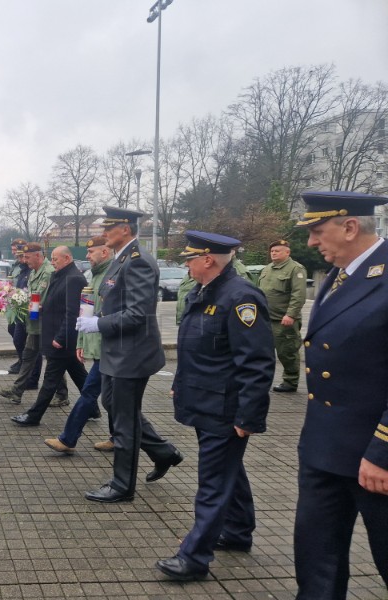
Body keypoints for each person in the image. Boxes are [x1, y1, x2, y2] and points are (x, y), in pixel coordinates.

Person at [155, 231, 274, 582]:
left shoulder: (241, 297)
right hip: (203, 400)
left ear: (208, 260)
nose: (186, 264)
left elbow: (257, 362)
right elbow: (196, 350)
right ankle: (237, 532)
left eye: (190, 258)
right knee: (228, 472)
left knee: (212, 482)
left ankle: (193, 557)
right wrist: (180, 384)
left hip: (225, 408)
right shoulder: (204, 292)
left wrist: (248, 416)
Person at [292, 191, 388, 599]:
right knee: (316, 562)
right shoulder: (339, 275)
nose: (312, 242)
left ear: (350, 227)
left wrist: (383, 452)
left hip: (374, 456)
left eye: (318, 231)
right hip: (323, 448)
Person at [77, 206, 182, 503]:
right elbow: (115, 300)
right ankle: (164, 452)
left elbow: (137, 313)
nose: (104, 232)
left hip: (132, 354)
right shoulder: (121, 259)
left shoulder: (138, 262)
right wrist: (96, 316)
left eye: (109, 227)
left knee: (123, 421)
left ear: (125, 229)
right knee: (111, 403)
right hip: (117, 349)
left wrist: (98, 323)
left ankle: (122, 486)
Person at [44, 236, 112, 453]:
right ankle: (73, 439)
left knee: (106, 398)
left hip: (113, 348)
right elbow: (86, 312)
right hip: (101, 347)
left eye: (92, 253)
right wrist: (81, 341)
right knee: (101, 396)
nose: (88, 256)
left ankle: (160, 449)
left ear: (105, 252)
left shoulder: (113, 275)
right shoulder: (94, 276)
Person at [10, 246, 87, 426]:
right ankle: (93, 408)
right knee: (80, 377)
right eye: (51, 259)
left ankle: (33, 416)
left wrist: (60, 338)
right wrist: (42, 308)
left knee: (50, 380)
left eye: (55, 259)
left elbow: (72, 313)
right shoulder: (58, 275)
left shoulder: (74, 278)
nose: (52, 262)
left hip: (62, 338)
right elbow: (55, 302)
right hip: (56, 334)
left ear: (67, 258)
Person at [0, 242, 67, 405]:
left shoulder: (48, 272)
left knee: (53, 359)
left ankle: (62, 395)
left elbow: (46, 297)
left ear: (38, 255)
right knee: (28, 357)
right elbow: (30, 294)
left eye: (27, 257)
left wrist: (23, 300)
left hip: (48, 324)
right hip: (35, 324)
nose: (25, 260)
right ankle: (17, 391)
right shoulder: (35, 272)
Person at [257, 239, 307, 393]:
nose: (274, 253)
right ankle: (262, 380)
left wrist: (291, 315)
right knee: (263, 352)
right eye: (272, 251)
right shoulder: (267, 269)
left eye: (277, 251)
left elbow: (298, 295)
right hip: (265, 319)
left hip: (283, 320)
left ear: (287, 252)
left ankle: (290, 382)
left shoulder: (295, 269)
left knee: (287, 352)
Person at [6, 239, 29, 374]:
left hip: (25, 307)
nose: (17, 255)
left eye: (19, 253)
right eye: (14, 251)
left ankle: (24, 364)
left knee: (23, 340)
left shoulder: (28, 268)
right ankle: (22, 361)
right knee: (13, 332)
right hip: (15, 303)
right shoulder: (16, 266)